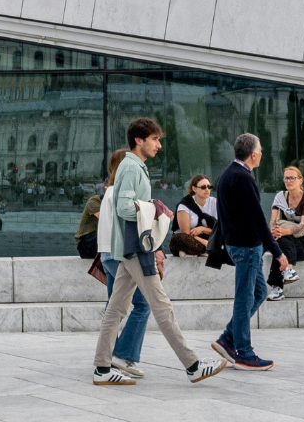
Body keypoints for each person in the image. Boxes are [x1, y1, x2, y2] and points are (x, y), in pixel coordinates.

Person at [92, 119, 226, 387]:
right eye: (154, 139)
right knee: (161, 306)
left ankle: (102, 368)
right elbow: (124, 208)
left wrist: (150, 207)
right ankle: (193, 366)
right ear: (139, 140)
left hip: (131, 247)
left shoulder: (134, 166)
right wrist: (156, 208)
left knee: (116, 309)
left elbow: (128, 206)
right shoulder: (131, 166)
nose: (159, 145)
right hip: (136, 248)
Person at [212, 132, 284, 371]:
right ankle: (244, 352)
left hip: (237, 245)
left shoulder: (228, 174)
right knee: (244, 299)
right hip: (246, 247)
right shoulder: (243, 178)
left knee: (259, 292)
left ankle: (227, 338)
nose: (262, 153)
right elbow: (258, 219)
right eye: (261, 150)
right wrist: (277, 252)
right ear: (253, 154)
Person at [94, 149, 150, 379]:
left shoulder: (109, 192)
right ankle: (124, 354)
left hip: (107, 254)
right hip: (119, 254)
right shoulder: (119, 193)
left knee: (114, 308)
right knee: (143, 304)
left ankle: (107, 358)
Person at [266, 165, 304, 300]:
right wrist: (275, 231)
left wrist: (284, 231)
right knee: (280, 240)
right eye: (286, 178)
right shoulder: (280, 196)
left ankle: (277, 287)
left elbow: (303, 225)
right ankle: (288, 272)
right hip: (288, 240)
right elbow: (272, 221)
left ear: (300, 180)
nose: (288, 181)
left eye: (292, 178)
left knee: (281, 243)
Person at [172, 174, 216, 257]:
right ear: (194, 189)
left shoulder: (214, 202)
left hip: (209, 237)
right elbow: (186, 233)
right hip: (190, 238)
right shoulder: (184, 205)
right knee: (180, 239)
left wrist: (202, 229)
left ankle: (199, 250)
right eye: (203, 187)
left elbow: (219, 228)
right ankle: (203, 249)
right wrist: (205, 242)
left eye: (209, 187)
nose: (207, 189)